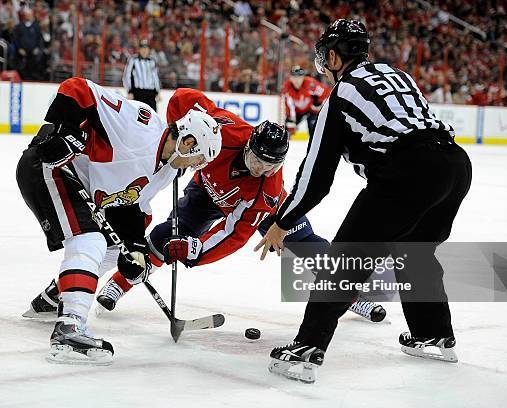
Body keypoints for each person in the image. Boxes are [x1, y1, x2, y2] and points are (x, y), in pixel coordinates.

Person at [23, 89, 386, 324]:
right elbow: (182, 99)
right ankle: (120, 282)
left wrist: (197, 252)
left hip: (252, 210)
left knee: (302, 243)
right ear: (249, 144)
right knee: (163, 237)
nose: (261, 168)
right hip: (203, 195)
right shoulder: (225, 130)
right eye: (258, 160)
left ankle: (350, 293)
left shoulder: (268, 188)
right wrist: (175, 139)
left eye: (270, 165)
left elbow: (235, 236)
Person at [256, 19, 472, 383]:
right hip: (454, 165)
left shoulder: (339, 97)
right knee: (415, 253)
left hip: (407, 172)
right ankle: (433, 334)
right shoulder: (396, 73)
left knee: (344, 261)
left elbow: (315, 179)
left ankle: (306, 349)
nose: (323, 65)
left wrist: (282, 221)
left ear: (336, 57)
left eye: (326, 56)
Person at [16, 77, 221, 365]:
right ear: (187, 142)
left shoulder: (168, 171)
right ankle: (70, 326)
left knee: (113, 250)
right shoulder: (141, 124)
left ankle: (54, 297)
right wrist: (64, 131)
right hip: (50, 166)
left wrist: (135, 249)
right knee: (90, 239)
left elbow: (131, 207)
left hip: (82, 186)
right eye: (198, 159)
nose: (197, 167)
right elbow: (78, 89)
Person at [281, 65, 330, 137]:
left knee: (313, 128)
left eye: (299, 77)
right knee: (287, 128)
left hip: (312, 110)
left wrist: (318, 105)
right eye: (294, 77)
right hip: (298, 111)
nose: (297, 80)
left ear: (303, 77)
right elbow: (288, 103)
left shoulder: (310, 84)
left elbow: (326, 93)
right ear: (290, 78)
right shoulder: (287, 86)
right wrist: (291, 118)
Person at [123, 39, 161, 110]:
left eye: (146, 48)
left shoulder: (152, 60)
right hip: (138, 92)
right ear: (139, 49)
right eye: (142, 48)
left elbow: (155, 77)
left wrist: (157, 92)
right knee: (138, 117)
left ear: (149, 50)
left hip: (151, 93)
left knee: (152, 116)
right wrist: (129, 91)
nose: (144, 50)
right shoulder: (133, 60)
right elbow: (127, 76)